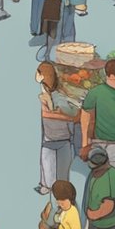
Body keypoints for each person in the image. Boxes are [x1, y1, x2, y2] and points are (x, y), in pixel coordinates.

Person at [36, 61, 79, 195]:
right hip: (53, 138)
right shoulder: (45, 92)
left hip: (59, 138)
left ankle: (53, 189)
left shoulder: (59, 97)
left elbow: (68, 113)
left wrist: (49, 103)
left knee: (60, 170)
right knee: (50, 166)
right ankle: (47, 186)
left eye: (38, 73)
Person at [81, 58, 115, 171]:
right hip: (114, 142)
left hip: (98, 142)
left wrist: (85, 143)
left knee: (97, 174)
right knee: (114, 175)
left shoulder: (94, 92)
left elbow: (85, 117)